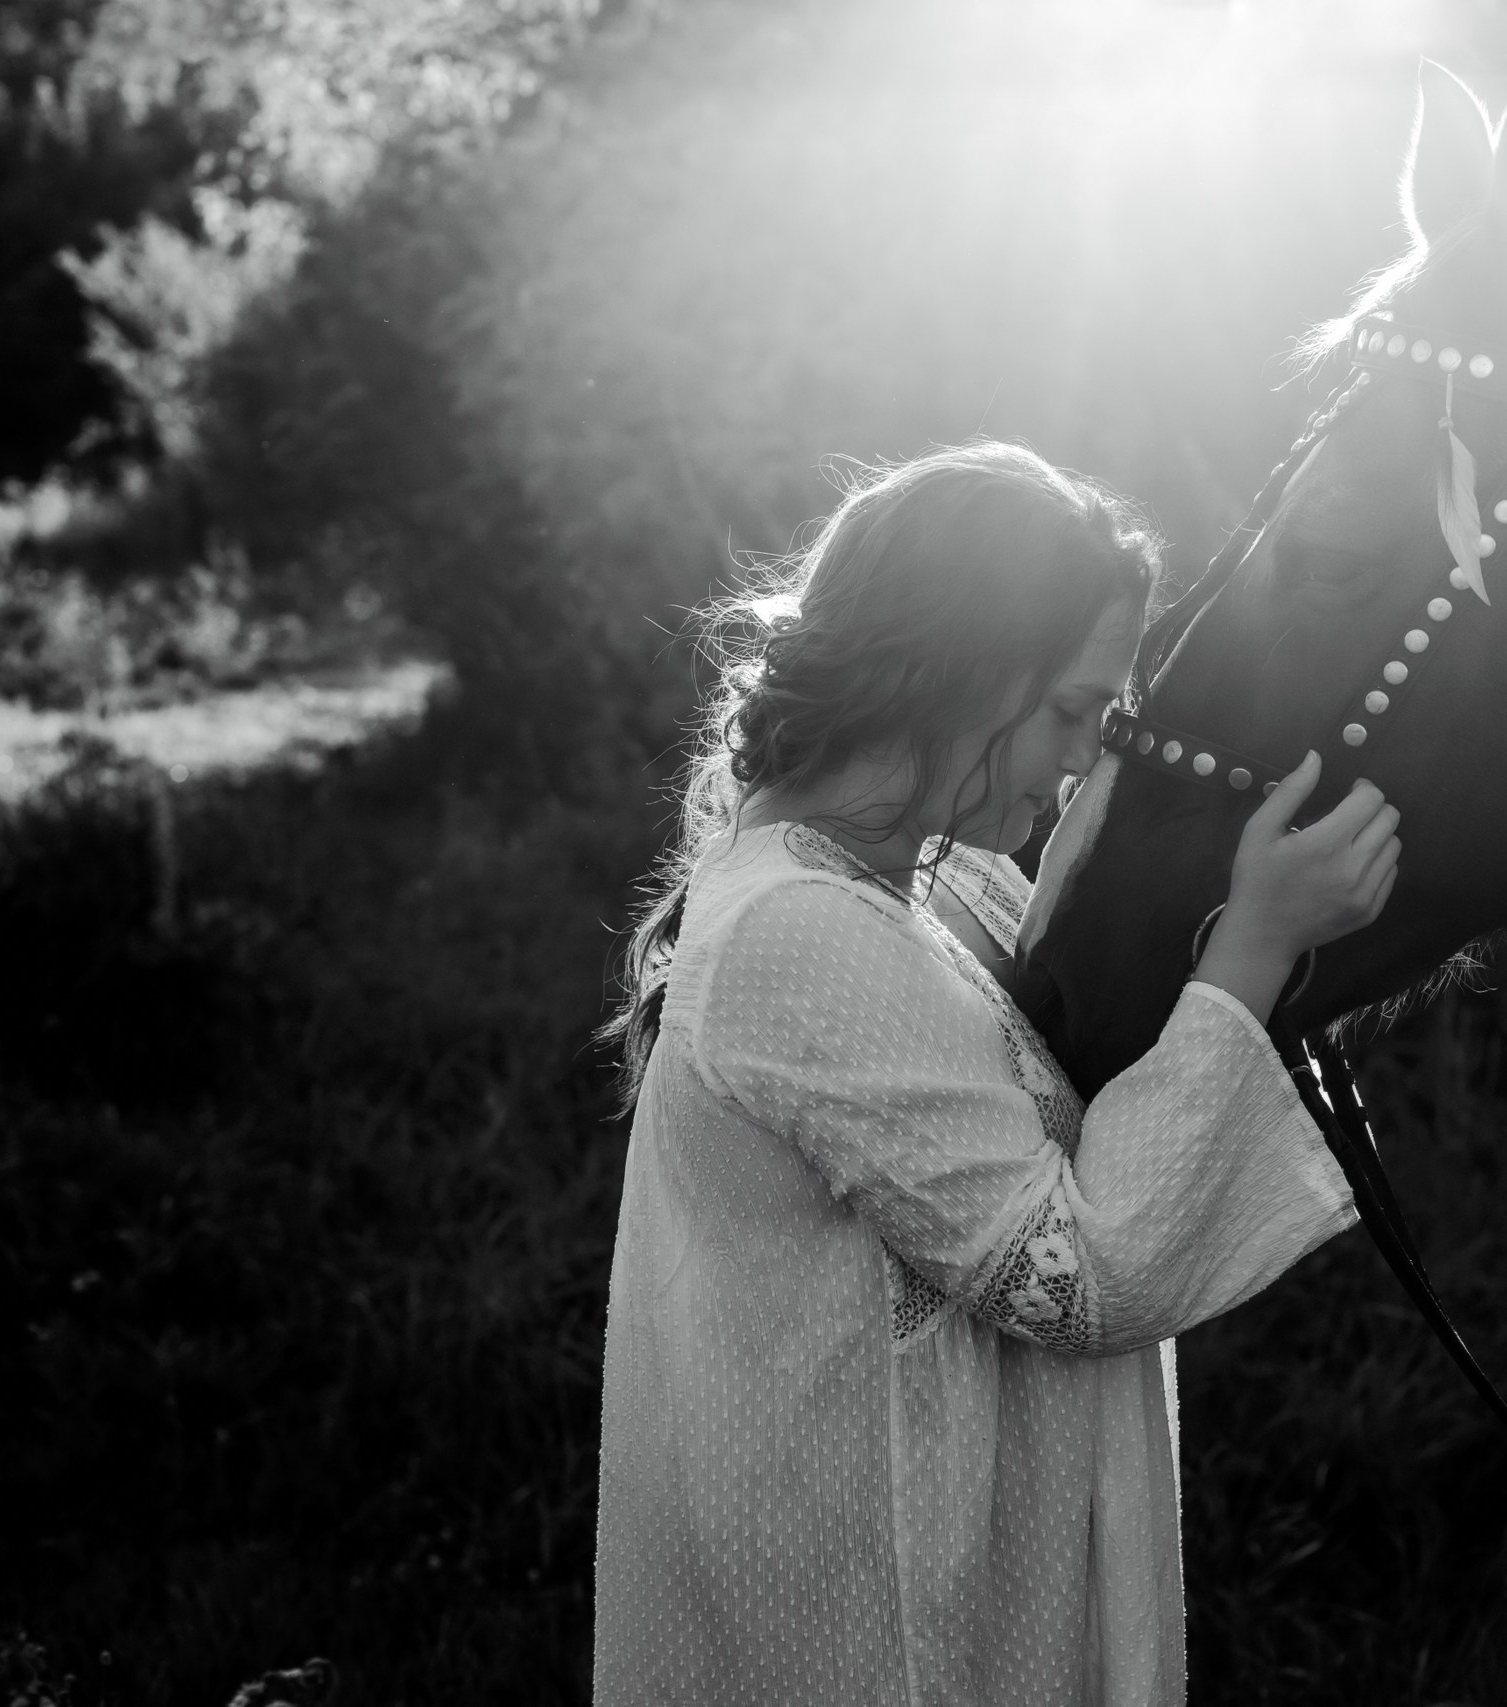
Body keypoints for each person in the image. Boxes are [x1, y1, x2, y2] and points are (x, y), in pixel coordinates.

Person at [592, 441, 1400, 1705]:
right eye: (1072, 712)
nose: (1083, 758)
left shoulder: (944, 878)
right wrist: (1255, 945)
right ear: (953, 673)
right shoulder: (797, 932)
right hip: (862, 1618)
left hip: (962, 1563)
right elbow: (1079, 1281)